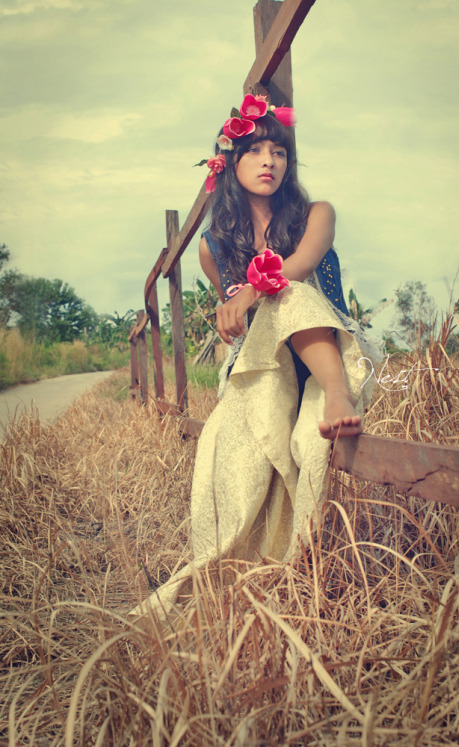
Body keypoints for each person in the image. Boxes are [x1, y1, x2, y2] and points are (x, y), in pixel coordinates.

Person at [130, 95, 380, 619]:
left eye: (279, 151)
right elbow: (237, 327)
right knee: (234, 452)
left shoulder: (317, 214)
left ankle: (336, 397)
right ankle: (241, 574)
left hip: (329, 350)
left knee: (312, 437)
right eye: (255, 150)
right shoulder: (212, 247)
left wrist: (251, 292)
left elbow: (300, 265)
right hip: (264, 363)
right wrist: (232, 311)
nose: (270, 161)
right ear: (229, 162)